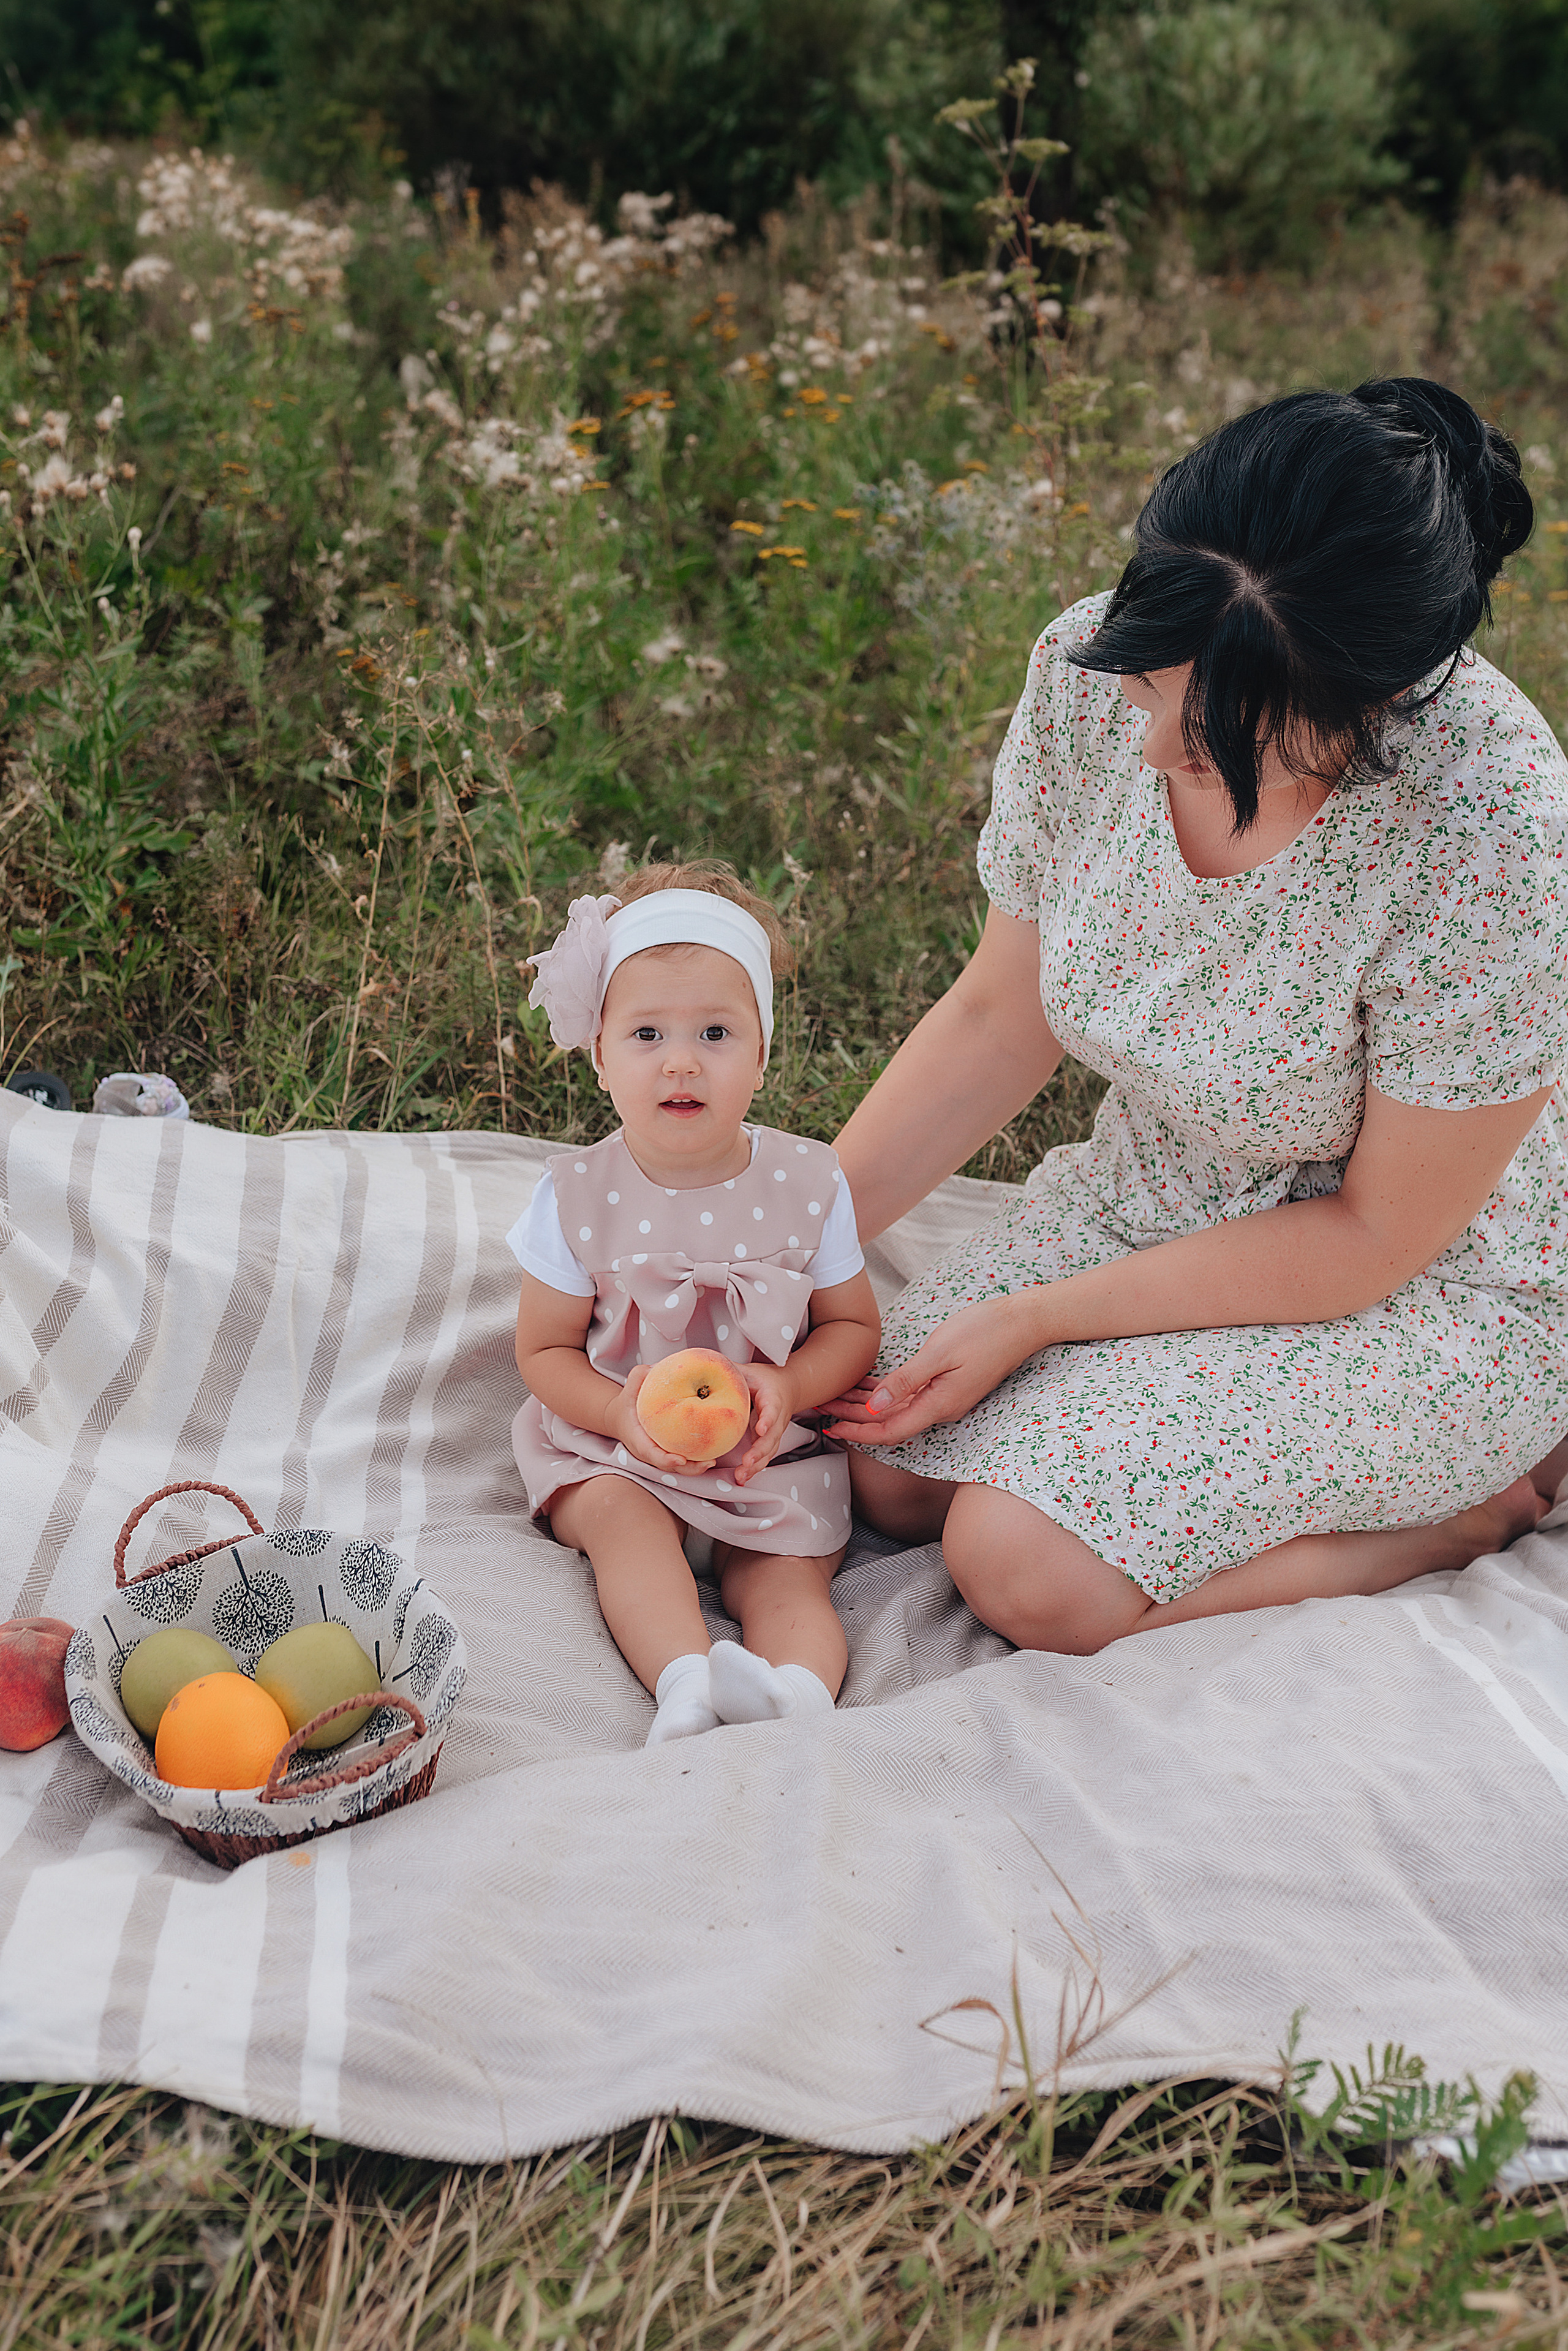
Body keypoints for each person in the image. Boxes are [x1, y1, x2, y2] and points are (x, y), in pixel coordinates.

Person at [827, 377, 1568, 1654]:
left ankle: (1467, 1510)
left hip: (1419, 1272)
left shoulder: (1494, 823)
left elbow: (1374, 1230)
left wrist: (1040, 1316)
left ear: (1376, 704)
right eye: (1144, 689)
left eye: (1229, 735)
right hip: (1162, 1191)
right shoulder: (1083, 660)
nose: (1150, 747)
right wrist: (772, 1242)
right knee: (880, 1459)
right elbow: (1001, 1014)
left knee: (1023, 1566)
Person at [512, 863, 881, 1743]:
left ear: (761, 1053)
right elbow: (543, 1351)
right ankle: (682, 1681)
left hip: (766, 1453)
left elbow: (854, 1327)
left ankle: (796, 1696)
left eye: (715, 1030)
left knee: (785, 1577)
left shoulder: (808, 1181)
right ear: (600, 1054)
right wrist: (619, 1410)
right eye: (646, 1033)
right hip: (623, 1446)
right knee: (621, 1526)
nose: (681, 1059)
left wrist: (788, 1391)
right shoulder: (575, 1194)